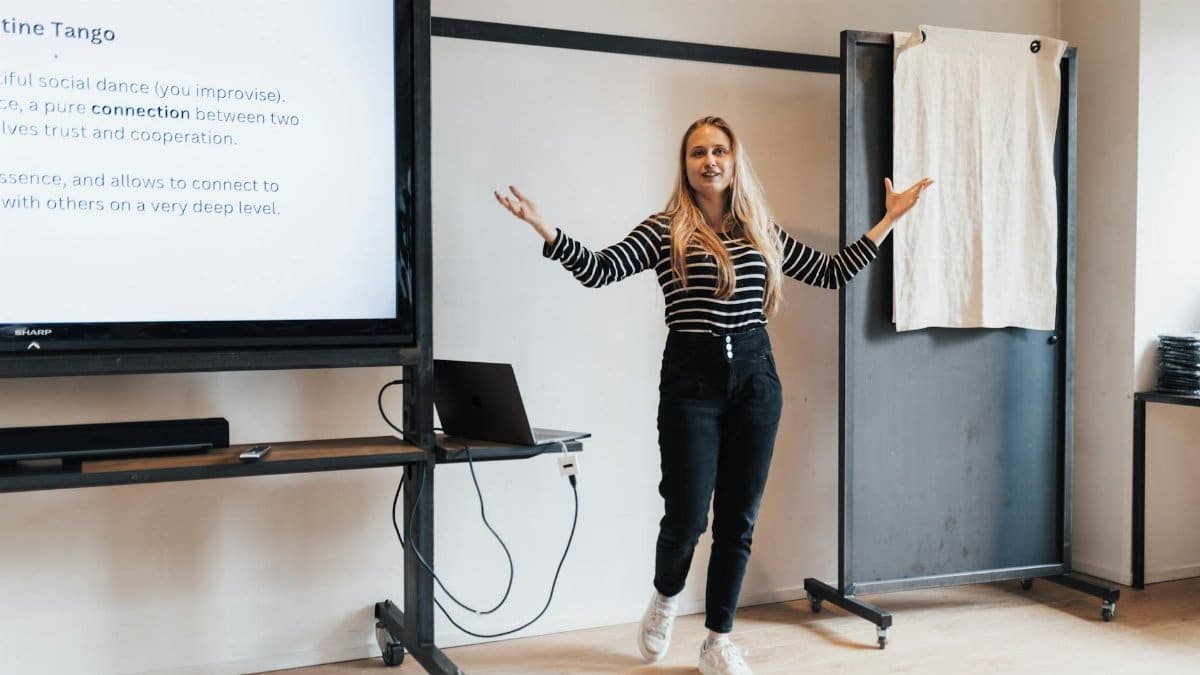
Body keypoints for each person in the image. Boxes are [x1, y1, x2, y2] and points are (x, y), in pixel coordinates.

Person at [495, 116, 932, 675]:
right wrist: (546, 230)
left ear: (733, 159)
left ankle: (718, 638)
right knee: (685, 516)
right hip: (690, 381)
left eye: (719, 150)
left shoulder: (760, 229)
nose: (710, 161)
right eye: (698, 152)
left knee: (738, 520)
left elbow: (830, 272)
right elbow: (600, 270)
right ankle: (665, 597)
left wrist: (888, 222)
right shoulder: (664, 229)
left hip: (756, 378)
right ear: (686, 165)